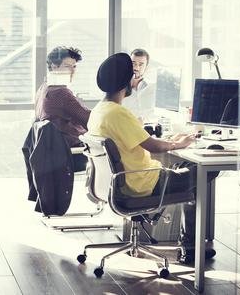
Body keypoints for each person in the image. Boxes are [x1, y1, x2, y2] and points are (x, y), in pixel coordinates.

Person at [87, 53, 216, 263]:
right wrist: (177, 143)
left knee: (188, 167)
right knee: (205, 170)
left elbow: (139, 139)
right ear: (127, 81)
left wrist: (171, 140)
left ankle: (190, 245)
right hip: (145, 183)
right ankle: (191, 248)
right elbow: (153, 146)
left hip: (124, 182)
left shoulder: (100, 111)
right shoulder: (118, 113)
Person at [35, 46, 90, 171]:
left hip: (51, 153)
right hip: (69, 155)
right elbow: (88, 119)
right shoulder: (61, 92)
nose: (72, 71)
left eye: (74, 66)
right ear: (54, 66)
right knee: (116, 152)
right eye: (67, 66)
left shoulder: (43, 88)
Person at [121, 48, 156, 121]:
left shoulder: (152, 88)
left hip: (147, 129)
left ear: (146, 67)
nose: (136, 68)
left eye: (141, 65)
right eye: (133, 63)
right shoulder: (119, 89)